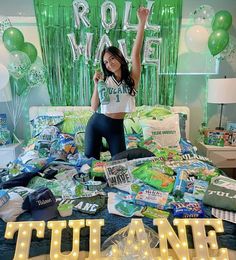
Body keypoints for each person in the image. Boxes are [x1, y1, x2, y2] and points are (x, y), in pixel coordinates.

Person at [85, 7, 149, 160]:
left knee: (119, 165)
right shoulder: (105, 81)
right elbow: (94, 107)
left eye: (112, 58)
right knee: (91, 164)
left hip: (116, 128)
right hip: (96, 124)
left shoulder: (132, 78)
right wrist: (96, 84)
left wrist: (142, 23)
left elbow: (135, 53)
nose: (109, 63)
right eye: (105, 62)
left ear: (120, 58)